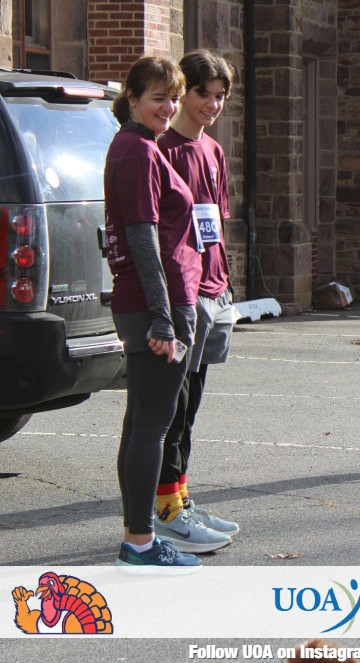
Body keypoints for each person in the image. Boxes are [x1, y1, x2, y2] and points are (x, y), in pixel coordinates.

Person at [104, 56, 202, 570]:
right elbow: (142, 236)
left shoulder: (136, 145)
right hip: (155, 305)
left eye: (173, 97)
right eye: (158, 97)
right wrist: (165, 319)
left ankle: (136, 537)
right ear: (133, 98)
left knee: (141, 423)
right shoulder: (139, 151)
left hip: (150, 302)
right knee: (151, 426)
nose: (168, 107)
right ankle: (140, 543)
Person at [153, 50, 239, 553]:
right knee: (173, 405)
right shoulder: (163, 148)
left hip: (214, 290)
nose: (211, 104)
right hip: (180, 295)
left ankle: (181, 498)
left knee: (192, 405)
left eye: (220, 96)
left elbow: (216, 223)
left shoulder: (214, 150)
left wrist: (225, 283)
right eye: (202, 93)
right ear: (183, 92)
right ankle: (165, 508)